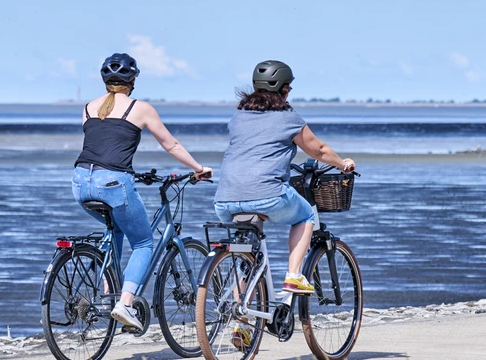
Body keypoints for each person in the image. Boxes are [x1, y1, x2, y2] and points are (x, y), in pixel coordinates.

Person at [72, 53, 212, 330]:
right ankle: (124, 304)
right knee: (144, 243)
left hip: (79, 182)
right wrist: (198, 168)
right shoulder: (141, 108)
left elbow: (103, 145)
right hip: (113, 183)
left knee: (117, 229)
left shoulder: (88, 107)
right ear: (133, 80)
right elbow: (171, 145)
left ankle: (108, 287)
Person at [216, 60, 355, 295]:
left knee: (249, 255)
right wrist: (343, 164)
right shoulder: (287, 117)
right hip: (267, 196)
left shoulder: (239, 115)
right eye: (288, 87)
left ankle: (240, 321)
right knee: (306, 215)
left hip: (224, 200)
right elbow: (318, 150)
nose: (289, 92)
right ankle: (294, 276)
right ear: (282, 89)